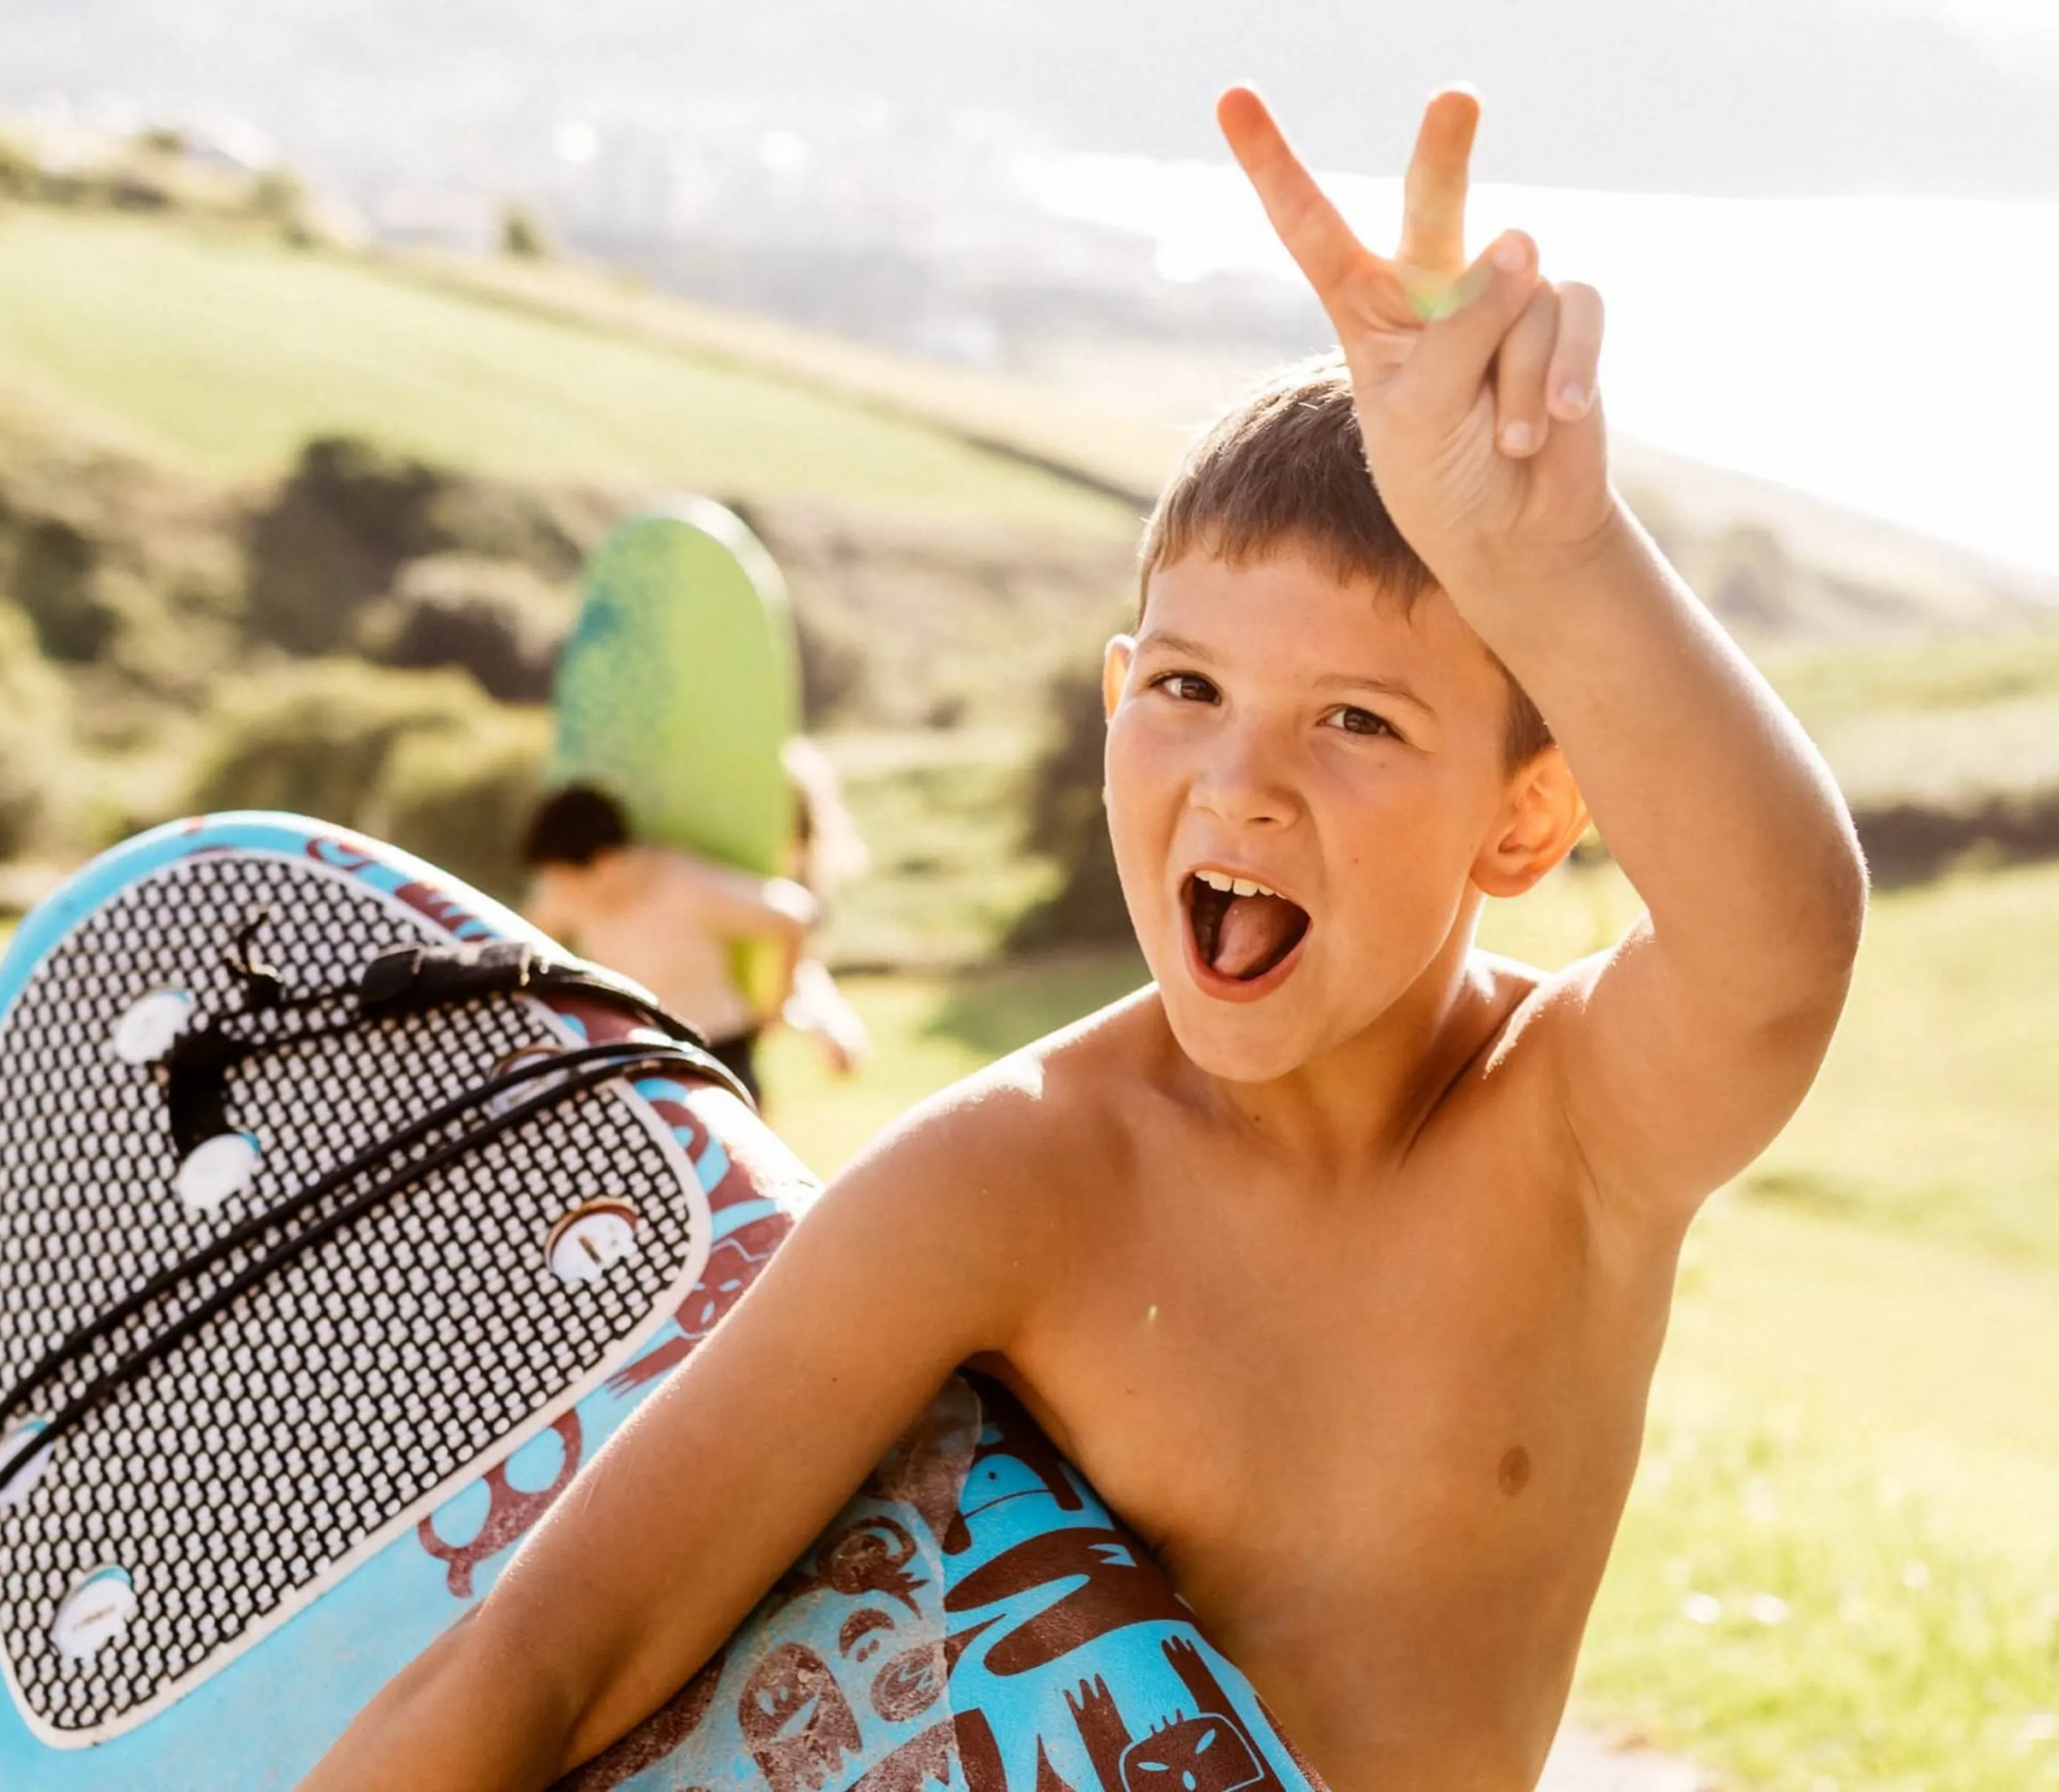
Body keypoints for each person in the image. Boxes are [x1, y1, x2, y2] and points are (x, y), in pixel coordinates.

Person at [313, 85, 1864, 1791]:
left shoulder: (1565, 1127)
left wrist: (1550, 556)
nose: (1242, 781)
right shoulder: (1009, 1181)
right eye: (1188, 687)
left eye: (1354, 718)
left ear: (1522, 815)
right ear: (1117, 700)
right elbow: (551, 1653)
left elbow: (1776, 936)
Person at [518, 772, 864, 1105]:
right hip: (631, 1056)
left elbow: (795, 916)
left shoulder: (685, 884)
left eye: (564, 881)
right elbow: (525, 946)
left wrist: (779, 1003)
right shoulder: (568, 896)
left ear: (605, 863)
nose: (557, 891)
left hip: (717, 1055)